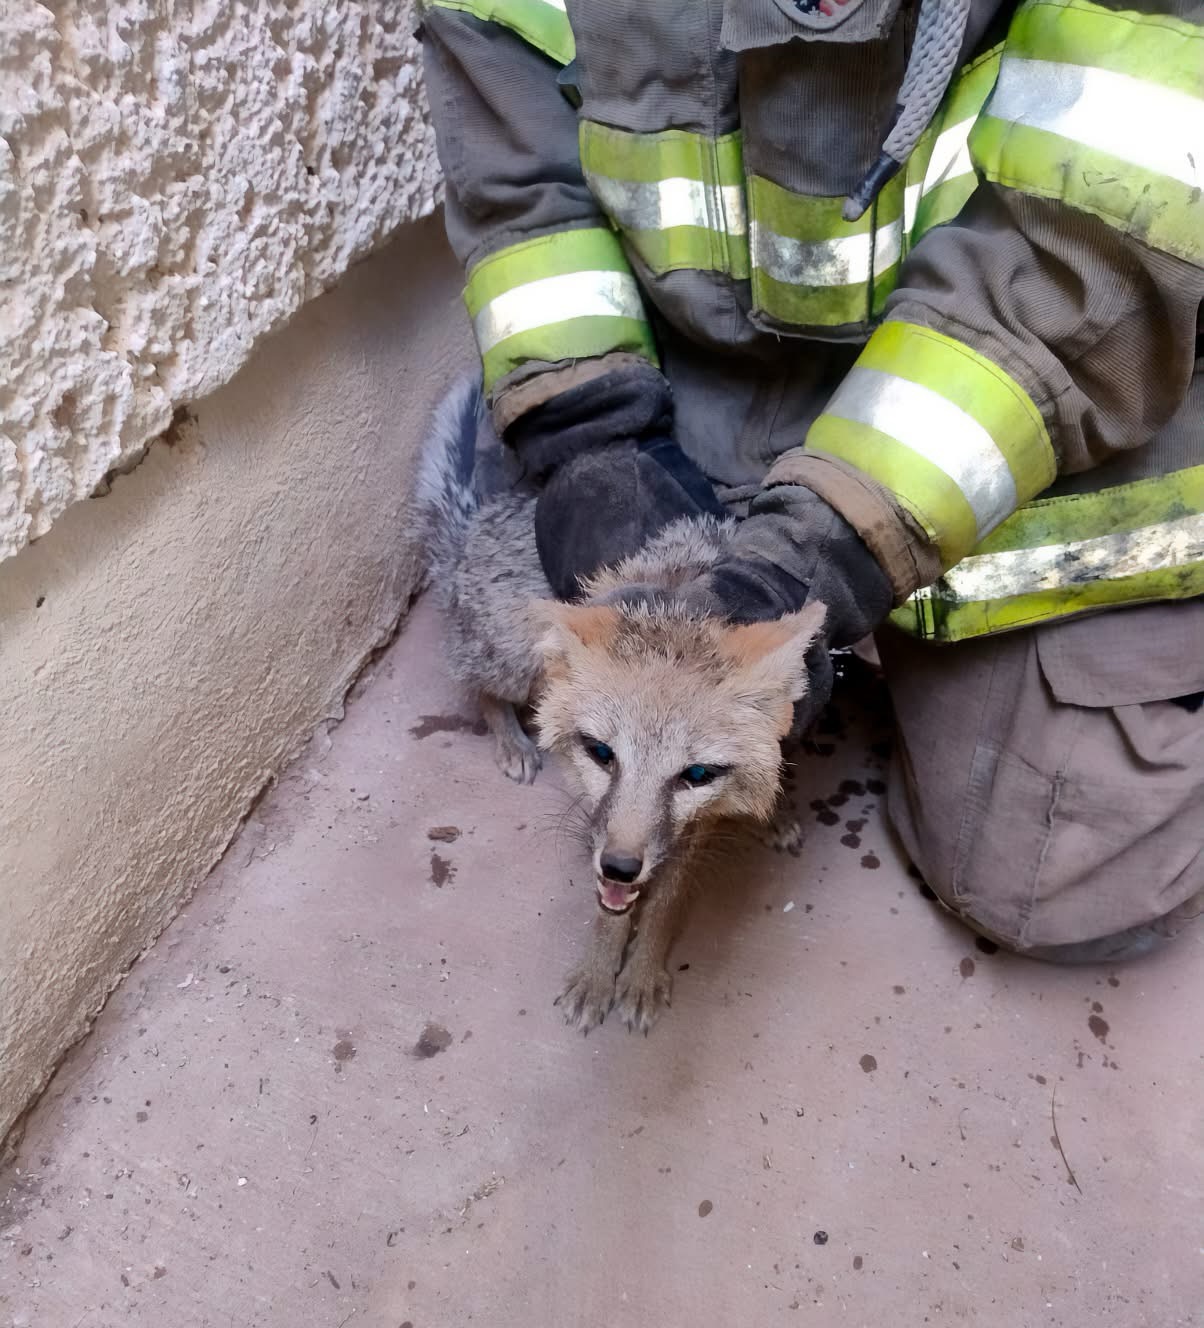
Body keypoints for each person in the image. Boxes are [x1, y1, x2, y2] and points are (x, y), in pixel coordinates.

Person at [417, 0, 1204, 962]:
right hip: (705, 380)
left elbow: (1094, 260)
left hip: (1014, 405)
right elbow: (522, 198)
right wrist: (589, 429)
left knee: (1056, 891)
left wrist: (822, 552)